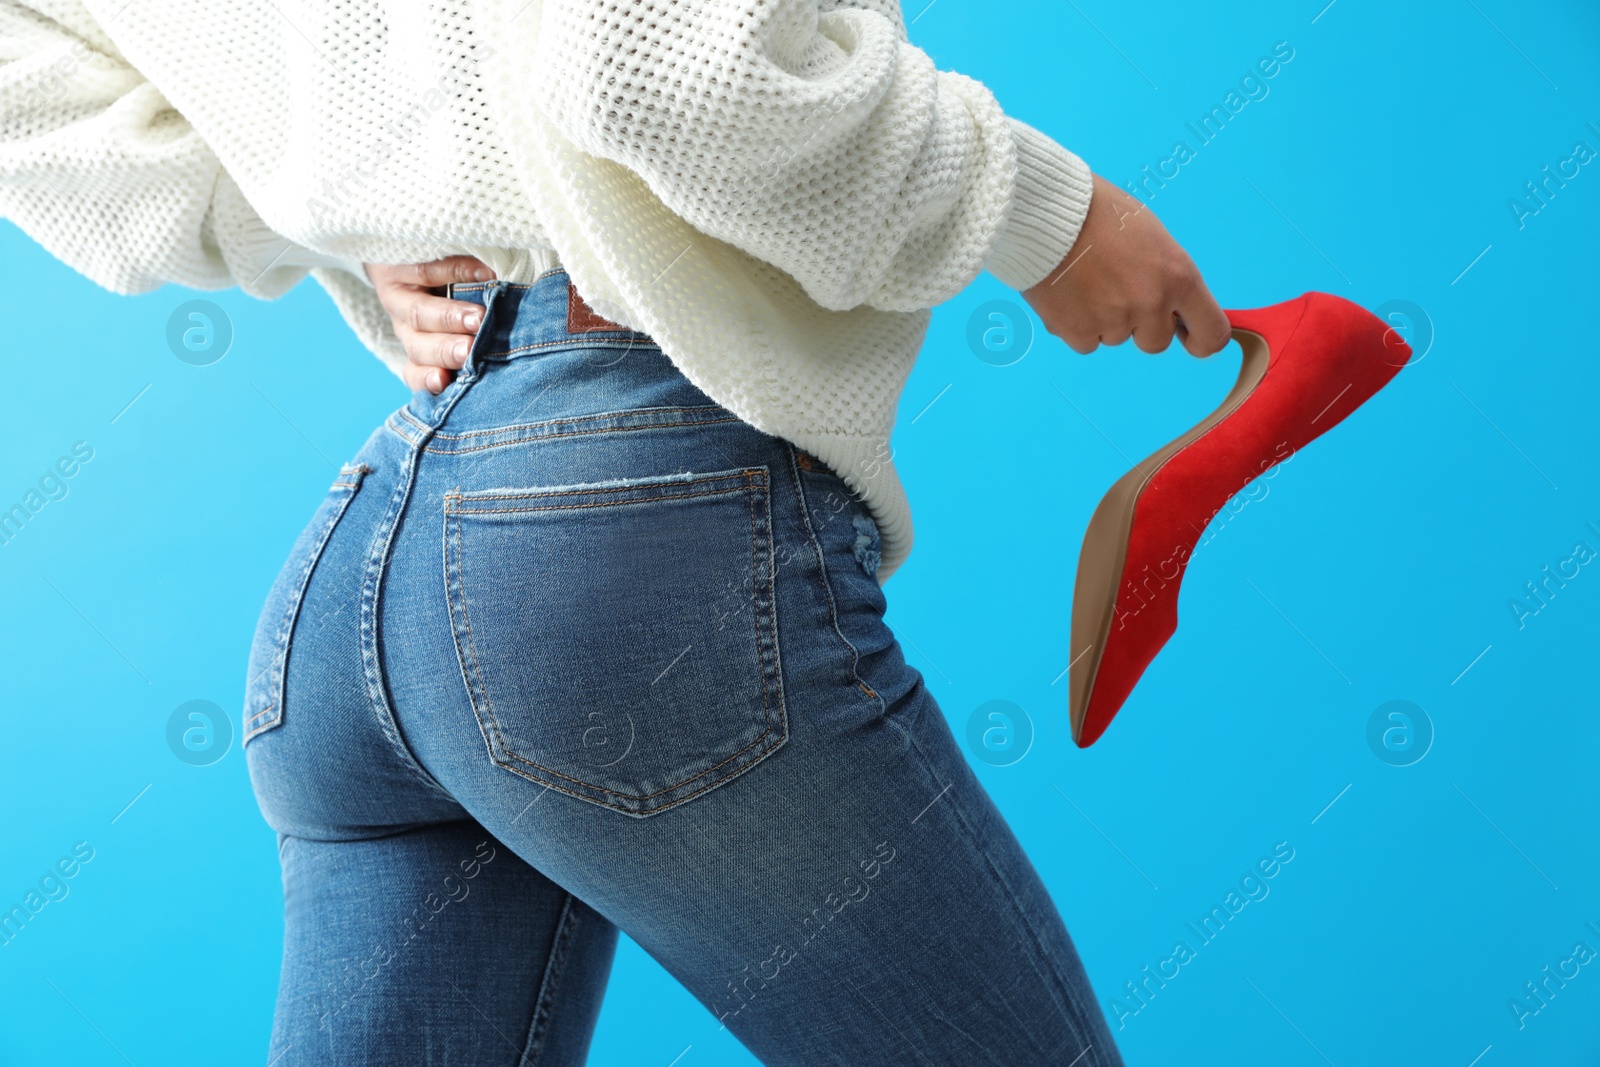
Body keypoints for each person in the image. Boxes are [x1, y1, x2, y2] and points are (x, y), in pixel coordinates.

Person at [2, 1, 1229, 1062]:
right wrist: (1039, 215)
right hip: (621, 541)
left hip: (369, 579)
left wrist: (329, 209)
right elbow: (657, 66)